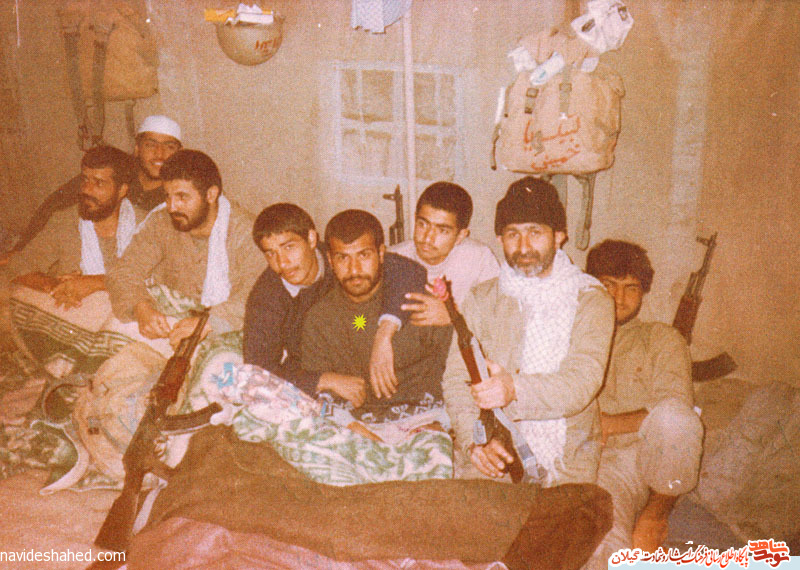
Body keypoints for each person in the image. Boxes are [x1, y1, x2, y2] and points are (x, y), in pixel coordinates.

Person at [442, 176, 614, 487]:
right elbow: (457, 380)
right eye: (513, 234)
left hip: (567, 460)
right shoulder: (482, 299)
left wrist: (514, 390)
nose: (523, 247)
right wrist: (475, 443)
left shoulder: (591, 299)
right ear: (499, 239)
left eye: (535, 232)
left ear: (559, 236)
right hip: (494, 454)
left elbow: (582, 382)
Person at [584, 239, 703, 563]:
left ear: (643, 292)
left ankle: (658, 510)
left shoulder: (662, 339)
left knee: (602, 533)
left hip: (631, 457)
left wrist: (609, 424)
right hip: (577, 454)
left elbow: (675, 408)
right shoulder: (573, 334)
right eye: (608, 285)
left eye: (631, 288)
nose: (619, 298)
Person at [243, 202, 427, 403]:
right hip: (317, 370)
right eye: (271, 253)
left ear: (311, 239)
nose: (283, 262)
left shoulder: (339, 255)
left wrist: (384, 334)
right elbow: (257, 371)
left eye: (289, 247)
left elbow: (408, 270)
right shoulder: (266, 299)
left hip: (366, 352)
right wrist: (324, 380)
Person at [300, 209, 452, 425]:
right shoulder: (320, 318)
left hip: (423, 420)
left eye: (364, 255)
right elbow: (317, 397)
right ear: (330, 261)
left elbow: (458, 375)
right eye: (343, 258)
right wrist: (347, 424)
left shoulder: (421, 305)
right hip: (354, 426)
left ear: (381, 254)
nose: (354, 269)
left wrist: (440, 423)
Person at [0, 146, 142, 369]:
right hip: (73, 318)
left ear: (122, 190)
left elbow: (156, 284)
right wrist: (55, 285)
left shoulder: (146, 225)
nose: (87, 190)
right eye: (85, 180)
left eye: (99, 183)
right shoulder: (65, 222)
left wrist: (94, 283)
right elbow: (19, 267)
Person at [105, 149, 264, 349]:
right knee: (113, 329)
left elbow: (257, 296)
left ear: (211, 194)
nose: (172, 207)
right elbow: (123, 271)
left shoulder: (247, 232)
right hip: (170, 324)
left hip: (223, 327)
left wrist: (206, 323)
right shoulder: (161, 222)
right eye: (168, 196)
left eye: (182, 197)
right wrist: (140, 307)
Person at [8, 115, 182, 255]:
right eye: (151, 145)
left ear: (179, 153)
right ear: (137, 149)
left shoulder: (182, 194)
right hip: (87, 253)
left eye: (169, 147)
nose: (160, 154)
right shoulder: (116, 171)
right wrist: (21, 248)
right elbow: (54, 204)